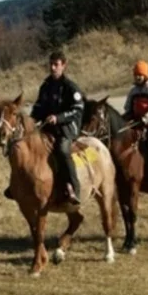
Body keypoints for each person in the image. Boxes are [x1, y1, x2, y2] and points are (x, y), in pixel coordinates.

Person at [29, 50, 85, 205]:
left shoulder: (71, 87)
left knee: (62, 150)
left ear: (64, 66)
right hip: (49, 127)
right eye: (51, 64)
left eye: (56, 65)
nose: (53, 68)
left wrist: (58, 117)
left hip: (67, 128)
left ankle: (74, 189)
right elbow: (39, 107)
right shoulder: (45, 86)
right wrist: (31, 120)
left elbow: (78, 109)